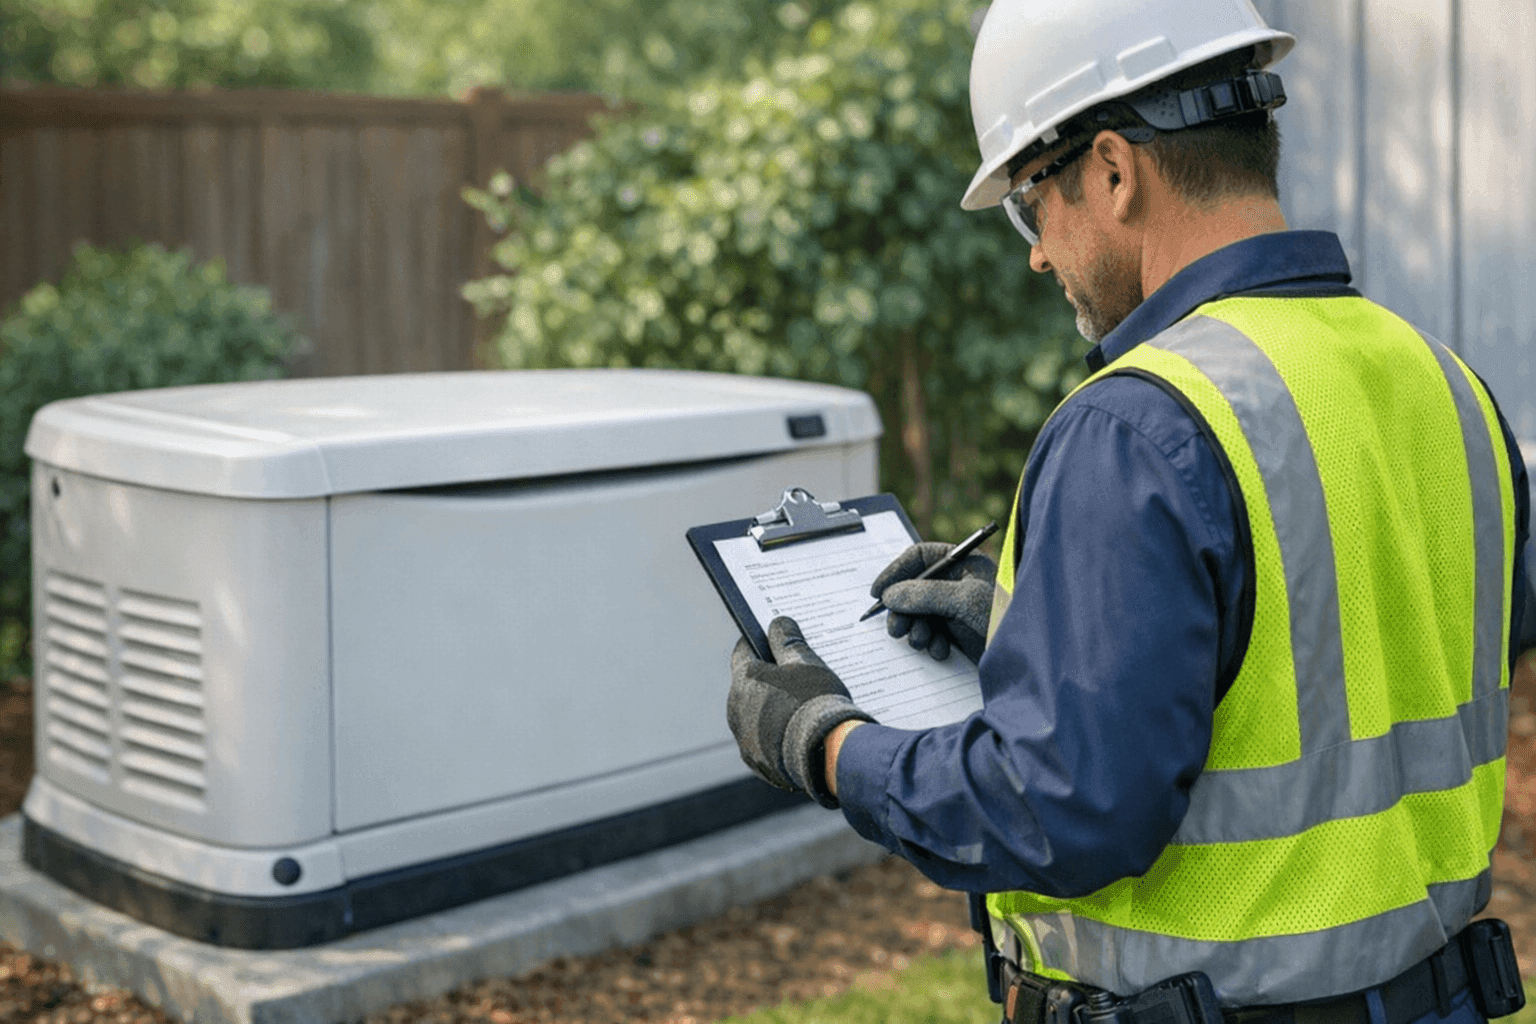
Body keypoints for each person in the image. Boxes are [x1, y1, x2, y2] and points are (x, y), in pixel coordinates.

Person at [725, 1, 1536, 1023]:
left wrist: (826, 742)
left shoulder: (1138, 425)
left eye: (1031, 203)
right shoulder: (1447, 385)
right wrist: (1057, 633)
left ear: (1112, 169)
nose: (1035, 252)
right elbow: (1368, 646)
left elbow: (1060, 809)